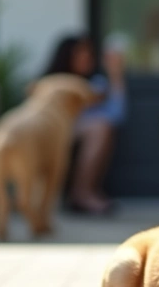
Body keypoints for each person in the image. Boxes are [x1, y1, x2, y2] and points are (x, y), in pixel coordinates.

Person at [42, 32, 127, 216]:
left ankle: (83, 193)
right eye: (81, 53)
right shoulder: (50, 84)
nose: (87, 57)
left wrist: (115, 74)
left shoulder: (96, 86)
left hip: (75, 133)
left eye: (89, 53)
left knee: (101, 126)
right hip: (49, 132)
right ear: (68, 56)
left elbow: (116, 115)